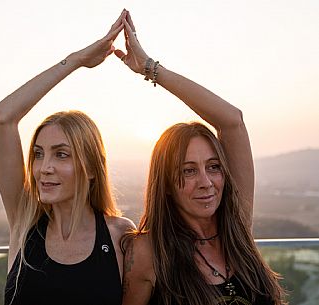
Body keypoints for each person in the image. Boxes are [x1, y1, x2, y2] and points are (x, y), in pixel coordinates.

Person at [115, 11, 286, 305]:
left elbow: (232, 121)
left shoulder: (236, 228)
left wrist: (150, 67)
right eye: (189, 171)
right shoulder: (149, 252)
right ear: (166, 183)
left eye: (214, 167)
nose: (206, 182)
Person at [0, 9, 135, 305]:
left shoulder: (120, 236)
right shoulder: (25, 222)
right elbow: (2, 117)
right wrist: (77, 60)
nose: (44, 168)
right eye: (39, 154)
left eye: (61, 154)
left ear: (92, 167)